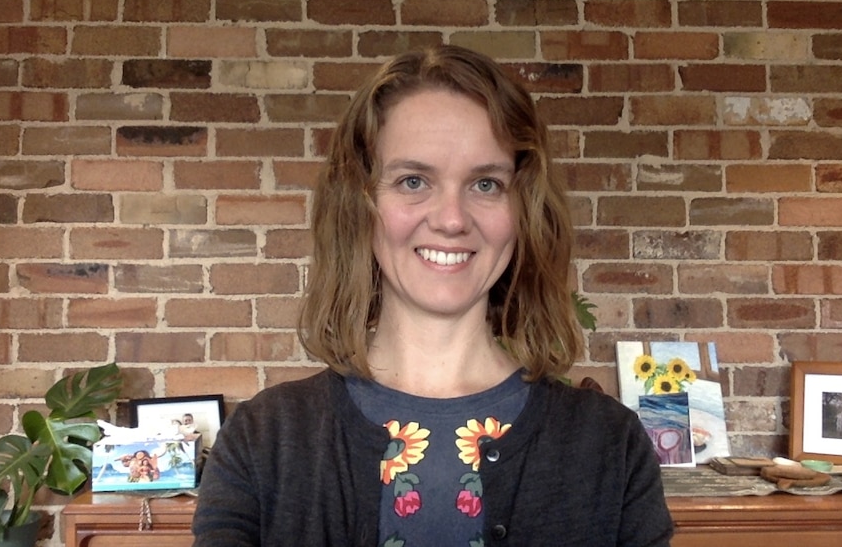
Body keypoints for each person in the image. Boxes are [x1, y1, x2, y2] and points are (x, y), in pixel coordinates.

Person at [192, 44, 673, 546]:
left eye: (485, 184)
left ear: (522, 207)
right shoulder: (264, 440)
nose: (450, 219)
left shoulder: (610, 446)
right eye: (413, 180)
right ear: (361, 203)